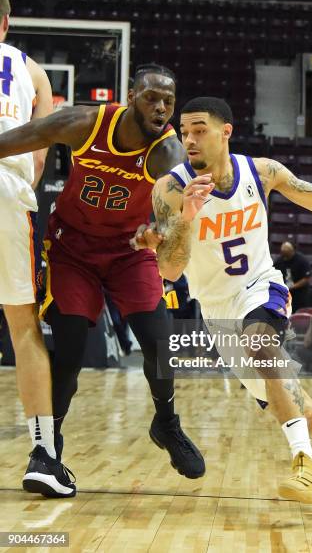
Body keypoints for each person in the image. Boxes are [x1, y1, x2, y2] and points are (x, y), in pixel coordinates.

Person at [141, 96, 312, 506]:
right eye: (185, 131)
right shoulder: (170, 189)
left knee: (260, 341)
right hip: (217, 312)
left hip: (262, 288)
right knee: (310, 414)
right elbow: (170, 271)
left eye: (199, 130)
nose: (189, 139)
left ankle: (305, 464)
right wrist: (187, 216)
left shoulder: (262, 172)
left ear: (225, 132)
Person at [0, 64, 205, 487]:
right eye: (152, 97)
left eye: (168, 100)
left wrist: (161, 232)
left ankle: (166, 423)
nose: (162, 108)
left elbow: (170, 229)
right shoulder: (83, 124)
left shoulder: (168, 153)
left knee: (159, 342)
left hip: (129, 252)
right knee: (71, 354)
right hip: (72, 248)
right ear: (132, 96)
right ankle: (48, 451)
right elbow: (15, 141)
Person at [0, 0, 76, 497]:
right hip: (7, 184)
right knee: (23, 323)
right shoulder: (33, 73)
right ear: (6, 23)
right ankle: (44, 456)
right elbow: (41, 153)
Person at [274, 242, 311, 312]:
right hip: (284, 294)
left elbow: (306, 279)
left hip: (300, 294)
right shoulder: (279, 261)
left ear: (292, 251)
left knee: (299, 314)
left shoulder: (302, 260)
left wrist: (292, 286)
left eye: (287, 255)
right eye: (283, 255)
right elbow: (273, 274)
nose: (285, 258)